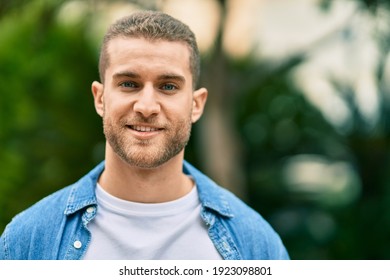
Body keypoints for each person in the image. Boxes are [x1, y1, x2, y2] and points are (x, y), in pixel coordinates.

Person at [0, 10, 289, 260]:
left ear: (196, 104)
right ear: (100, 98)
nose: (147, 107)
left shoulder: (256, 244)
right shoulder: (29, 240)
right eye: (128, 83)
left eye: (168, 87)